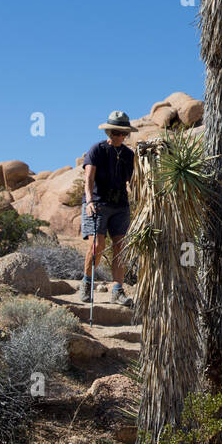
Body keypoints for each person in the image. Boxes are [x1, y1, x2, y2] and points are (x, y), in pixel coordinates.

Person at [79, 110, 136, 307]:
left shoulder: (129, 155)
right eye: (114, 132)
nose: (118, 136)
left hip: (120, 205)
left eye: (122, 133)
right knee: (97, 246)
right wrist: (89, 201)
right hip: (98, 203)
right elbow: (89, 178)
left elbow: (133, 181)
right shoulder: (97, 150)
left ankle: (117, 291)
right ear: (108, 133)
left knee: (120, 249)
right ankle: (87, 283)